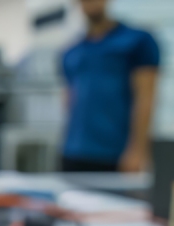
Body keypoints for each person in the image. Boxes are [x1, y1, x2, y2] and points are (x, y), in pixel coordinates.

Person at [61, 0, 160, 172]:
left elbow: (146, 98)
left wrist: (138, 150)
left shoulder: (138, 42)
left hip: (116, 154)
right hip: (74, 153)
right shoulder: (71, 52)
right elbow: (70, 100)